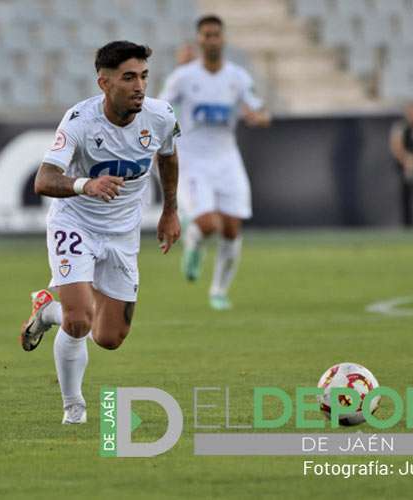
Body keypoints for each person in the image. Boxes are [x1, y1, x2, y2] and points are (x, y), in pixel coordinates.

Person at [18, 41, 181, 425]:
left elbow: (169, 156)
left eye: (143, 76)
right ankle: (73, 408)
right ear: (104, 83)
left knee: (110, 338)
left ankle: (46, 311)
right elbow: (44, 180)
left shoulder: (160, 116)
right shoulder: (80, 120)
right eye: (129, 78)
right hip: (75, 224)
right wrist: (85, 185)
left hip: (123, 233)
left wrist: (170, 211)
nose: (139, 86)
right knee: (79, 322)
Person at [159, 15, 271, 311]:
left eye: (216, 34)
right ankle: (194, 242)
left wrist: (257, 117)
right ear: (199, 40)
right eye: (206, 35)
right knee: (208, 224)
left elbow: (262, 111)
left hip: (226, 158)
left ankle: (218, 291)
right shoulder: (183, 76)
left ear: (223, 39)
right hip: (194, 161)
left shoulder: (237, 77)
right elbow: (158, 107)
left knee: (232, 229)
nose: (211, 39)